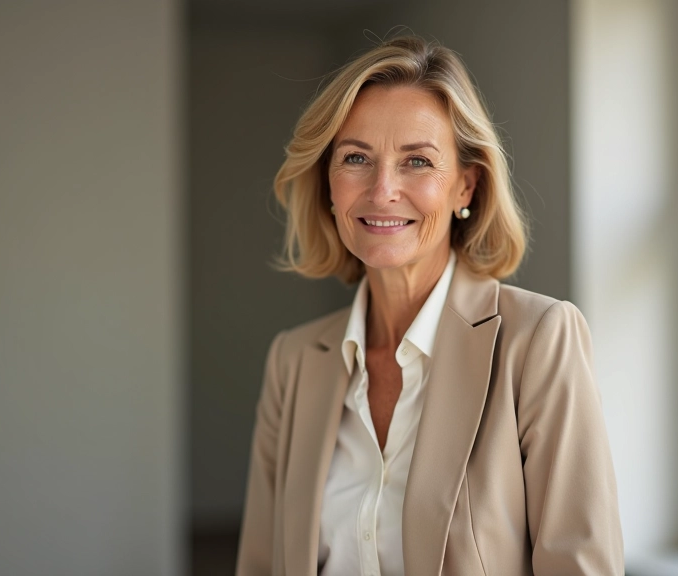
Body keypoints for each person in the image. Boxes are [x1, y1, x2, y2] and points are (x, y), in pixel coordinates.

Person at [236, 35, 623, 576]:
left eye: (417, 161)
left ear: (465, 186)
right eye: (355, 158)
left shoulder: (538, 340)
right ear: (328, 183)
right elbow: (260, 564)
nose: (382, 189)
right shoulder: (293, 360)